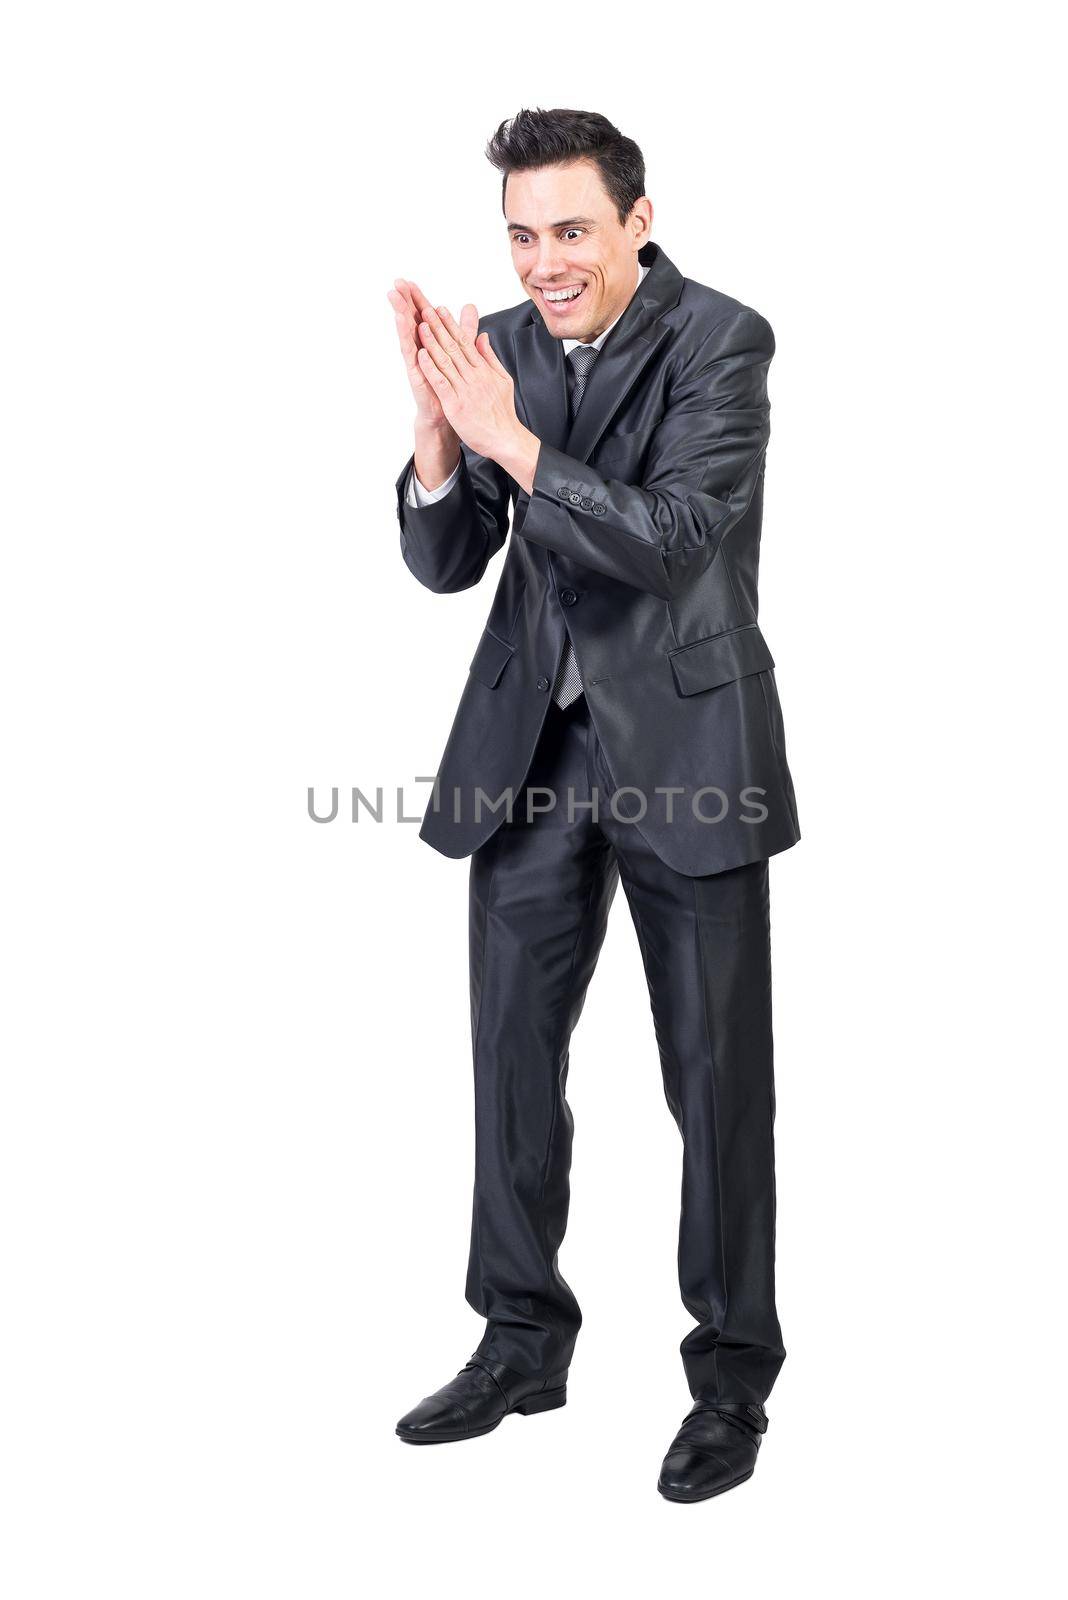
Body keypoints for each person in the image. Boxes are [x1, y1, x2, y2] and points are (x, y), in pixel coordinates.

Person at [386, 107, 799, 1503]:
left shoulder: (724, 341)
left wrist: (511, 440)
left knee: (718, 1089)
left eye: (570, 229)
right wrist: (444, 443)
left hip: (689, 746)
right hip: (529, 752)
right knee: (510, 1063)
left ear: (635, 217)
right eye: (521, 234)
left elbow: (675, 542)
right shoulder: (495, 347)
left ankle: (730, 1384)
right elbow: (452, 565)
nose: (543, 261)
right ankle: (519, 1338)